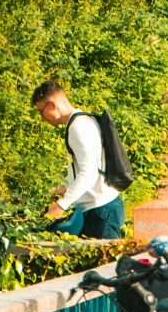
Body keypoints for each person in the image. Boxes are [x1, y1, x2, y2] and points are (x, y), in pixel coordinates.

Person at [32, 79, 126, 239]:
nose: (42, 117)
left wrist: (62, 204)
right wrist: (64, 187)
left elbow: (88, 172)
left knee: (107, 264)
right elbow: (93, 166)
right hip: (100, 209)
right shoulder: (84, 120)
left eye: (41, 111)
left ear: (52, 105)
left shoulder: (78, 127)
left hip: (101, 211)